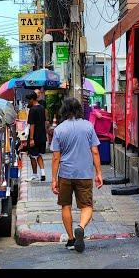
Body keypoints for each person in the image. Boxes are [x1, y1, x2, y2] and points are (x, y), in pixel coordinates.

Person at [50, 97, 103, 252]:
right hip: (85, 174)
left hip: (65, 174)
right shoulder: (88, 127)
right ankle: (80, 227)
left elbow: (55, 157)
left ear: (64, 110)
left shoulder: (59, 129)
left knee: (65, 205)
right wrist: (99, 173)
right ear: (79, 109)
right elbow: (95, 151)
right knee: (87, 205)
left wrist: (53, 179)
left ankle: (72, 239)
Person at [25, 92, 47, 182]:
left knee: (32, 156)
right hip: (42, 136)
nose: (28, 102)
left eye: (28, 100)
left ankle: (35, 175)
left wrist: (31, 139)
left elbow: (32, 125)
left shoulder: (33, 110)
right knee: (38, 155)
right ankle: (43, 173)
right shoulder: (42, 108)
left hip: (34, 136)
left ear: (32, 100)